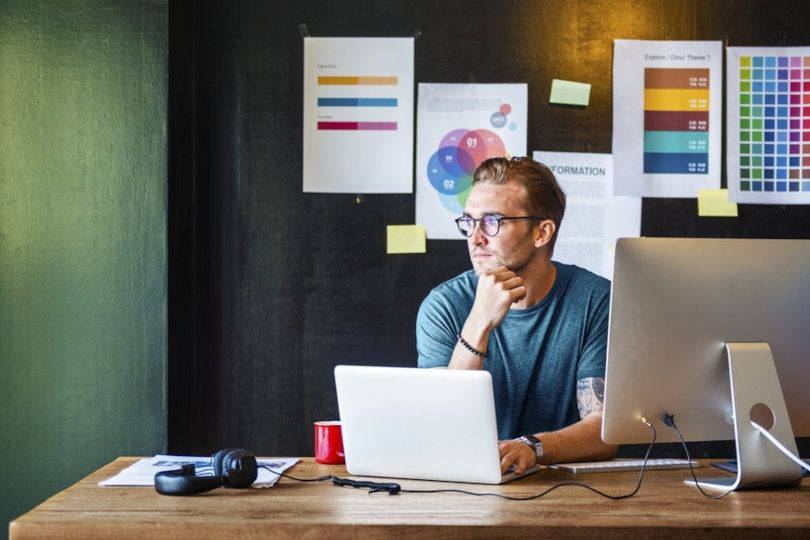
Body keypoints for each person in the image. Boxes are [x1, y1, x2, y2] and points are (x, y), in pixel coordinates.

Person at [416, 156, 617, 475]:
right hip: (464, 481)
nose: (475, 237)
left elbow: (605, 430)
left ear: (542, 233)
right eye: (469, 221)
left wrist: (531, 448)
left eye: (492, 221)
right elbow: (442, 425)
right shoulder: (444, 305)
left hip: (571, 486)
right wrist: (478, 322)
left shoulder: (597, 301)